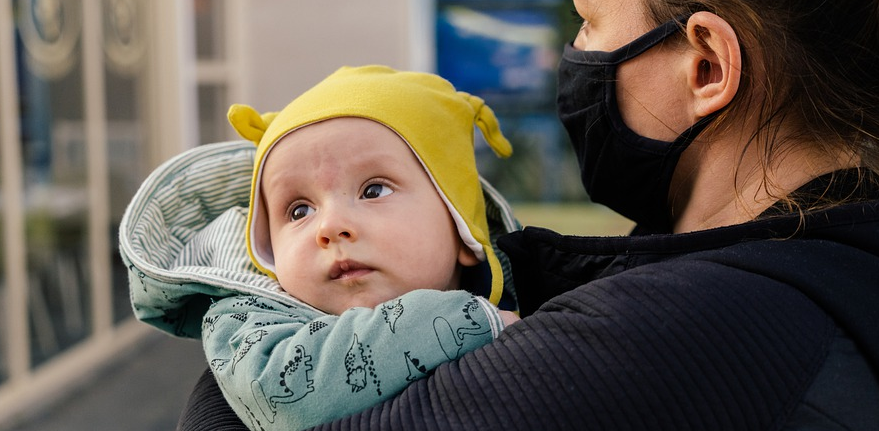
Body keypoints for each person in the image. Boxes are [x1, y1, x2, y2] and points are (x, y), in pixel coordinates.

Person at [174, 0, 879, 430]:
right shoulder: (772, 257)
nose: (573, 54)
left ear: (705, 67)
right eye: (298, 209)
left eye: (588, 22)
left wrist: (260, 320)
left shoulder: (690, 327)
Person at [121, 65, 521, 431]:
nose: (329, 227)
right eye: (299, 211)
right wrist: (470, 320)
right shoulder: (248, 322)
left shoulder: (535, 292)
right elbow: (284, 394)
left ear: (462, 229)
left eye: (373, 190)